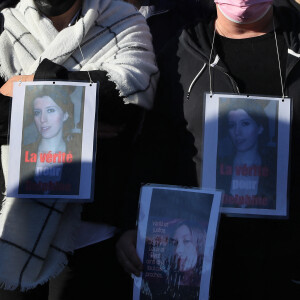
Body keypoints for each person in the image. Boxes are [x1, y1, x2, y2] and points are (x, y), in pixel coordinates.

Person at [117, 1, 300, 299]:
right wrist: (132, 222)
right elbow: (155, 147)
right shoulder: (180, 52)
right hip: (202, 268)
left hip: (286, 264)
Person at [0, 0, 158, 299]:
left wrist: (29, 84)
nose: (45, 118)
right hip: (11, 221)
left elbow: (126, 98)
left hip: (92, 230)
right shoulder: (5, 25)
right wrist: (81, 116)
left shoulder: (122, 18)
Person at [19, 85, 81, 195]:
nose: (43, 119)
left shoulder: (79, 154)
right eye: (37, 112)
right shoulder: (22, 153)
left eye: (50, 110)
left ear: (65, 115)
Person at [217, 99, 276, 209]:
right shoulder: (218, 168)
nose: (237, 132)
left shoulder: (275, 170)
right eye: (232, 125)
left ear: (260, 128)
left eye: (245, 123)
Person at [140, 221, 206, 300]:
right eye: (175, 243)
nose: (178, 250)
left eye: (186, 241)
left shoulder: (205, 281)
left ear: (199, 246)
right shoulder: (165, 276)